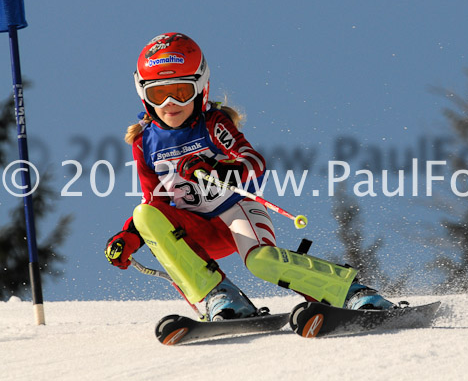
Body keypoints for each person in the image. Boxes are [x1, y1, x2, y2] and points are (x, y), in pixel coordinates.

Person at [104, 32, 393, 320]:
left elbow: (254, 161)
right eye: (158, 93)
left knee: (261, 261)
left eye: (181, 92)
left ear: (201, 88)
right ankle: (220, 297)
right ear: (144, 96)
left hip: (235, 211)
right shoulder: (145, 143)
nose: (169, 102)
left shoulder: (213, 123)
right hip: (194, 230)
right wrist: (130, 236)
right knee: (143, 213)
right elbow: (155, 203)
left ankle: (352, 292)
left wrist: (222, 170)